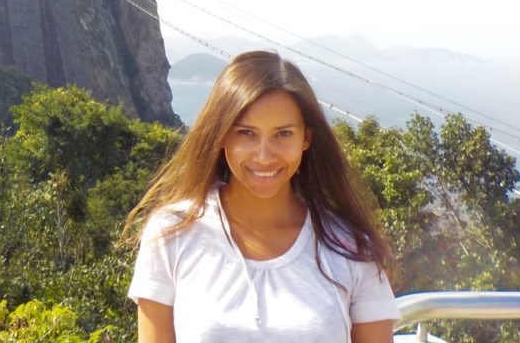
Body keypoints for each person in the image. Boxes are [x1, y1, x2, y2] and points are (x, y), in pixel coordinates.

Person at [124, 50, 399, 343]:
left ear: (306, 138)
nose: (264, 155)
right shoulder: (173, 233)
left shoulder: (350, 247)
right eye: (246, 133)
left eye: (283, 134)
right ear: (221, 135)